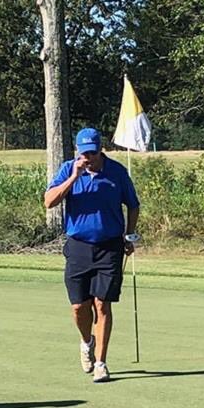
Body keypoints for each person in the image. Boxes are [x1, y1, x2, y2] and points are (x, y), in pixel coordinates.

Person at [44, 128, 140, 383]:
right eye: (84, 153)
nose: (89, 157)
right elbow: (49, 201)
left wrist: (129, 235)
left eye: (93, 152)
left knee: (102, 304)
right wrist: (74, 177)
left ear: (101, 150)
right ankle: (87, 342)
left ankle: (101, 362)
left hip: (109, 246)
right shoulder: (68, 169)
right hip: (78, 246)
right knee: (79, 307)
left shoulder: (117, 172)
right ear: (78, 151)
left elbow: (133, 204)